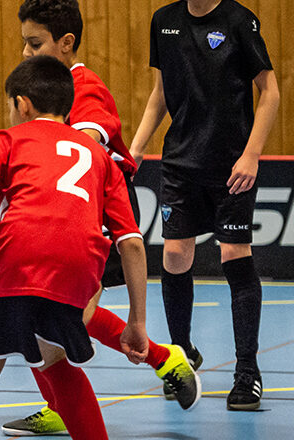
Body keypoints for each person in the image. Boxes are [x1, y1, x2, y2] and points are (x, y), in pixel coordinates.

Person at [0, 1, 201, 435]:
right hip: (75, 214)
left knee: (49, 316)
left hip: (90, 214)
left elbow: (75, 146)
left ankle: (161, 358)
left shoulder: (84, 86)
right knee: (46, 323)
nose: (27, 53)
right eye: (24, 44)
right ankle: (99, 384)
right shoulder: (50, 89)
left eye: (36, 44)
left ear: (66, 44)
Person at [0, 55, 148, 440]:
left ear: (22, 103)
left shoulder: (7, 139)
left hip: (18, 254)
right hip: (79, 268)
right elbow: (131, 243)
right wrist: (137, 321)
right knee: (56, 360)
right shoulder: (100, 157)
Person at [130, 0, 279, 411]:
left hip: (232, 162)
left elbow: (270, 90)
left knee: (234, 255)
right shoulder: (164, 21)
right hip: (180, 161)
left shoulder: (238, 20)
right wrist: (137, 148)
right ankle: (180, 358)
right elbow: (160, 94)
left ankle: (247, 371)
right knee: (175, 256)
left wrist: (251, 155)